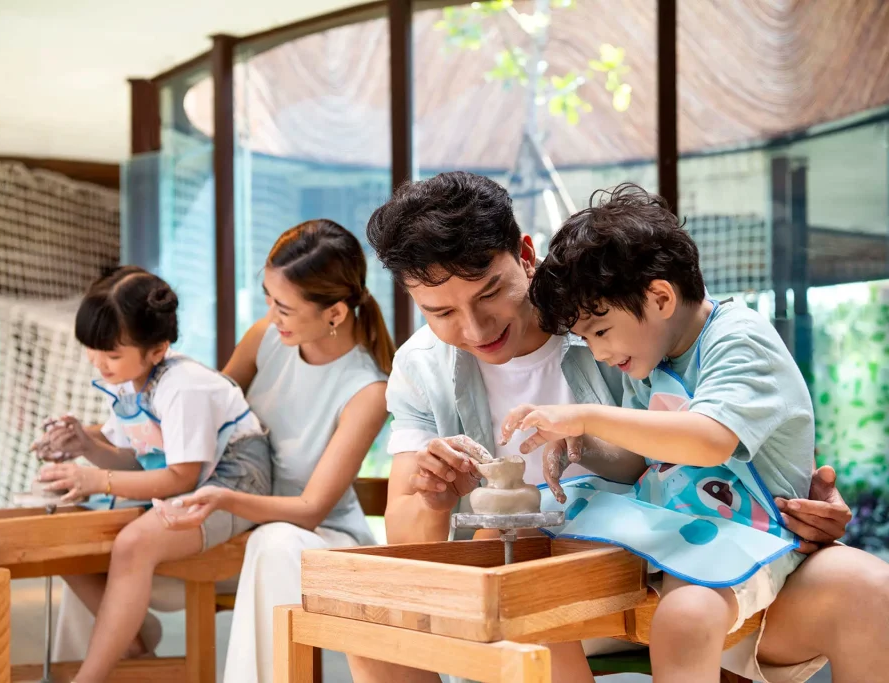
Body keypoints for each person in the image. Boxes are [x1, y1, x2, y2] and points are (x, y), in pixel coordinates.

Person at [352, 171, 889, 683]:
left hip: (667, 560)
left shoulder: (615, 319)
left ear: (526, 255)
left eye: (490, 293)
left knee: (865, 585)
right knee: (395, 611)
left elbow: (723, 433)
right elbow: (408, 539)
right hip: (552, 586)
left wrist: (798, 498)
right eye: (440, 312)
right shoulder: (423, 367)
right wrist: (436, 493)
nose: (473, 328)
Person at [53, 220, 392, 683]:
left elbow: (310, 511)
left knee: (269, 543)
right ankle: (110, 661)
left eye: (285, 308)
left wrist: (223, 498)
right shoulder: (267, 337)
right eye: (269, 299)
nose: (272, 315)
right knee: (91, 532)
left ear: (334, 313)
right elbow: (199, 413)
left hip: (308, 537)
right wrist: (88, 438)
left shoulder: (366, 391)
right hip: (231, 514)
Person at [500, 183, 812, 682]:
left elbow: (709, 439)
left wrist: (584, 416)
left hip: (751, 531)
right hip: (676, 519)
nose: (598, 353)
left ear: (661, 296)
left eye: (600, 332)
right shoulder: (652, 357)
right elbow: (638, 462)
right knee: (535, 577)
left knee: (684, 618)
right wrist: (585, 447)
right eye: (585, 339)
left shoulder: (740, 338)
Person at [31, 266, 271, 683]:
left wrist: (95, 480)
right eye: (92, 350)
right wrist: (87, 448)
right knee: (60, 534)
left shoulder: (184, 386)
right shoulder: (129, 379)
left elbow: (179, 477)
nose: (99, 363)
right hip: (190, 482)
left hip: (232, 483)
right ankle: (133, 640)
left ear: (158, 349)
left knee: (133, 542)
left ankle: (89, 678)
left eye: (111, 354)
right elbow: (138, 460)